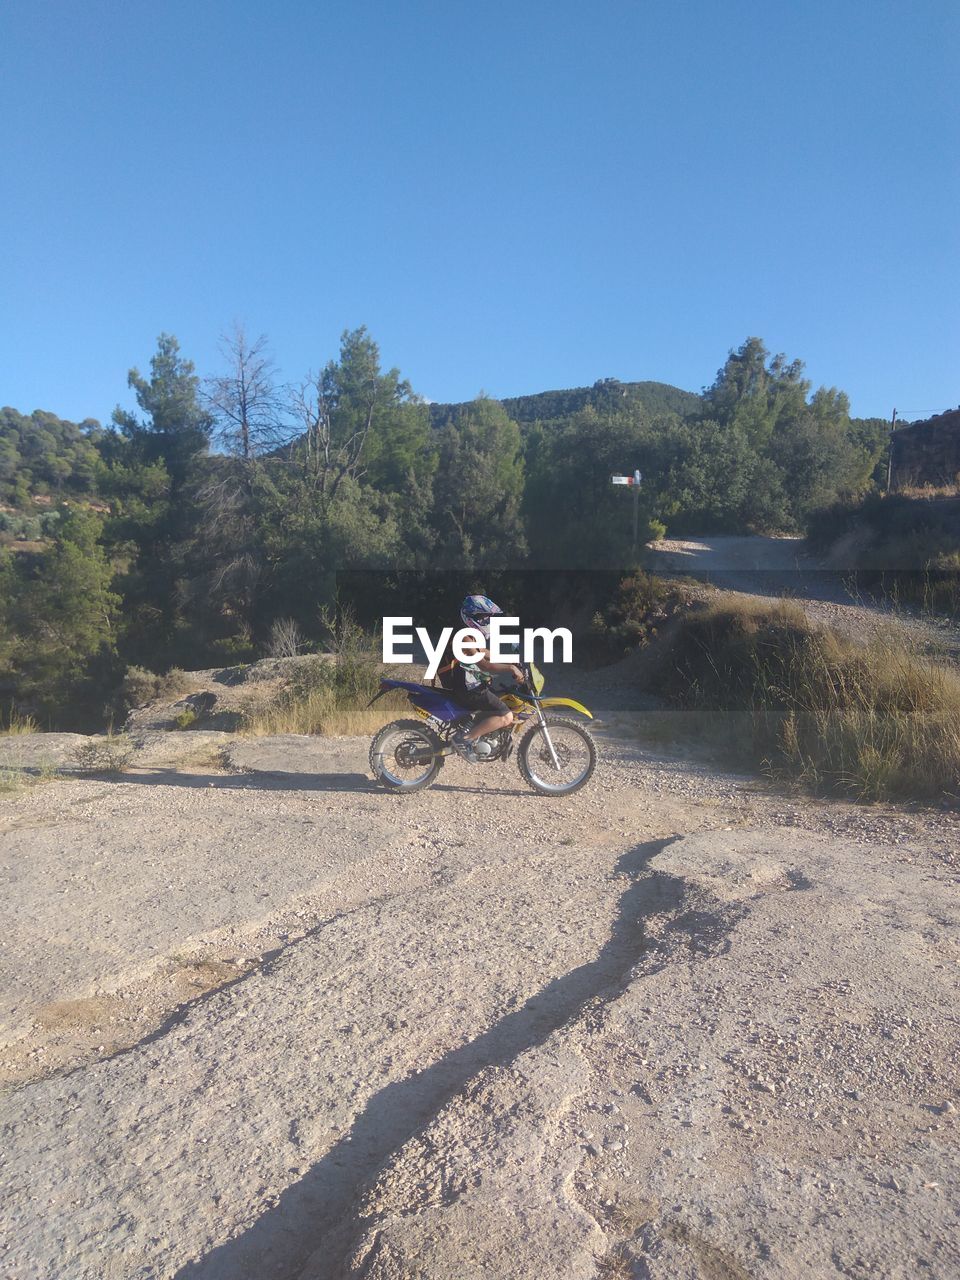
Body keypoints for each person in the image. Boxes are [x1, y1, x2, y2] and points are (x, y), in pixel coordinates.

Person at [437, 594, 524, 761]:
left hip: (471, 685)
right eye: (484, 617)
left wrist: (512, 659)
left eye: (488, 617)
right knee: (506, 716)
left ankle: (477, 733)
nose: (487, 621)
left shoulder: (467, 635)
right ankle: (463, 739)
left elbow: (484, 653)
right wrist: (511, 668)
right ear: (471, 617)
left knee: (501, 699)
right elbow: (485, 665)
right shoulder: (463, 638)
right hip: (467, 688)